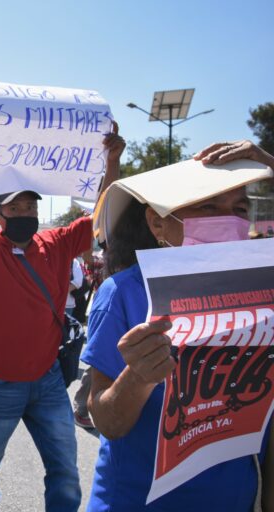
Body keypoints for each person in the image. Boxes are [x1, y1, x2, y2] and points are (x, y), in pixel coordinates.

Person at [0, 121, 124, 511]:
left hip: (48, 380)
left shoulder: (57, 243)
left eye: (30, 206)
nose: (25, 212)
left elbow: (103, 216)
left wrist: (112, 163)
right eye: (16, 207)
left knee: (65, 470)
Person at [82, 139, 274, 511]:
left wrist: (269, 163)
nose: (229, 218)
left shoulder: (264, 288)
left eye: (239, 208)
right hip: (137, 501)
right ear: (158, 222)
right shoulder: (122, 293)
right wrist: (137, 377)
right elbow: (107, 421)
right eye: (207, 206)